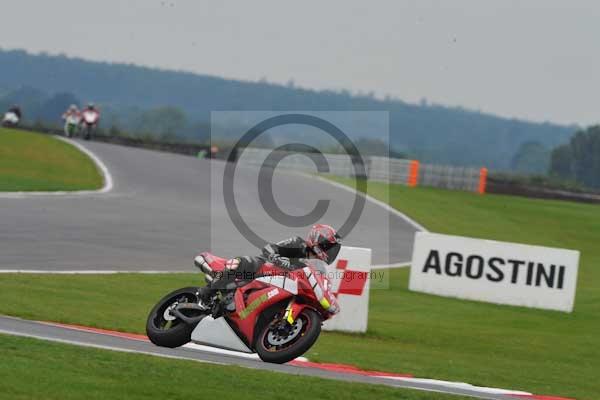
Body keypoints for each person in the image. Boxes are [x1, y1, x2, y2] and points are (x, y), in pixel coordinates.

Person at [195, 224, 342, 312]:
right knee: (242, 262)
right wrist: (277, 258)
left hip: (283, 286)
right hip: (265, 270)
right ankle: (208, 292)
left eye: (332, 249)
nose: (329, 252)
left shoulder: (316, 266)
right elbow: (269, 248)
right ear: (316, 240)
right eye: (327, 247)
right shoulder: (298, 243)